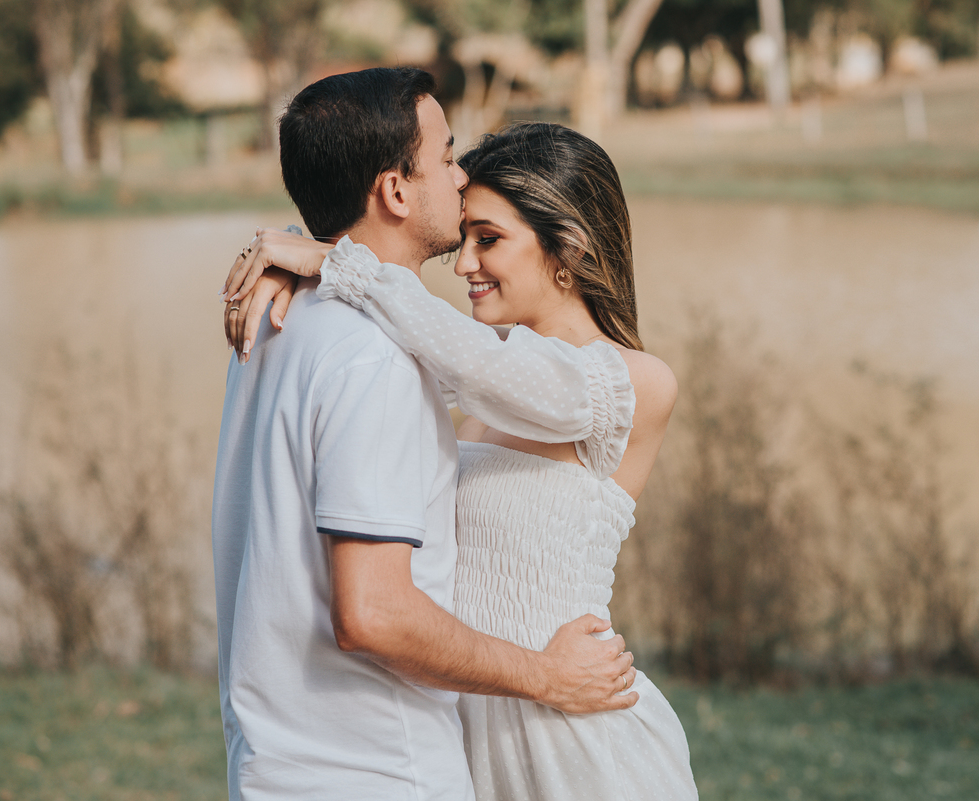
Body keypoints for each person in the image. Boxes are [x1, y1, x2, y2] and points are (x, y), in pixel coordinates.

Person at [224, 121, 699, 800]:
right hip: (469, 729)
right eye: (466, 236)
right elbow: (402, 349)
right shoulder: (476, 380)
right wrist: (300, 277)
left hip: (574, 740)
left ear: (569, 248)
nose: (466, 262)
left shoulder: (631, 384)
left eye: (490, 239)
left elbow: (468, 358)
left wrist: (335, 261)